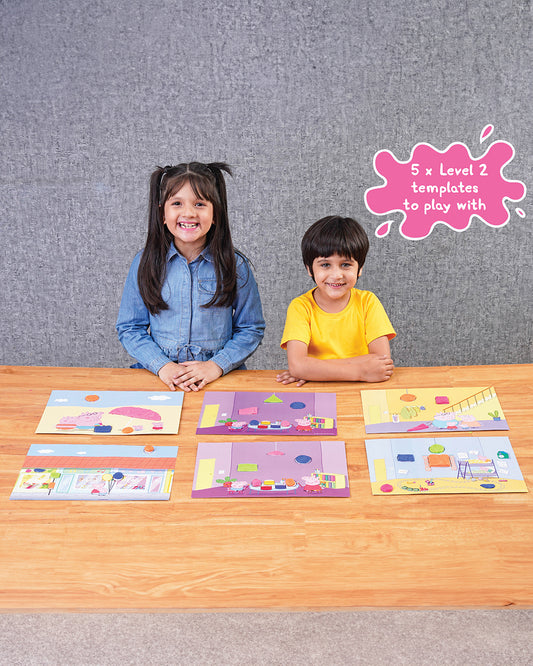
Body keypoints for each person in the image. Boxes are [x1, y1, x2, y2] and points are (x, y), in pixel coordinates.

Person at [117, 162, 265, 391]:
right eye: (177, 203)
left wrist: (216, 365)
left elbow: (251, 328)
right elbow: (130, 327)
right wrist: (163, 366)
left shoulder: (235, 265)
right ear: (162, 213)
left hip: (217, 378)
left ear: (215, 214)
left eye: (200, 204)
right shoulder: (144, 263)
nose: (188, 213)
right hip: (161, 378)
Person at [276, 215, 395, 386]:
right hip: (318, 390)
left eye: (346, 264)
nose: (336, 275)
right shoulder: (301, 307)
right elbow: (298, 366)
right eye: (325, 265)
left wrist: (314, 370)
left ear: (360, 268)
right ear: (310, 269)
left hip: (361, 389)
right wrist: (360, 370)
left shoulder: (368, 302)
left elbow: (382, 364)